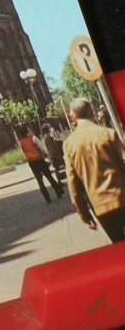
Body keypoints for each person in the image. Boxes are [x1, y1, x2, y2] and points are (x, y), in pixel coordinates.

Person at [63, 98, 125, 242]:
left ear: (72, 116)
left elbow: (73, 186)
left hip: (101, 207)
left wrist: (83, 213)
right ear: (92, 112)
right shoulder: (109, 133)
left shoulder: (69, 144)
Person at [16, 125, 64, 203]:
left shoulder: (21, 142)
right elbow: (42, 148)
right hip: (39, 159)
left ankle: (47, 197)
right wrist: (47, 155)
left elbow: (24, 152)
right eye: (29, 129)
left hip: (31, 162)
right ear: (27, 131)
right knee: (49, 176)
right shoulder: (33, 138)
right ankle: (58, 191)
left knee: (39, 180)